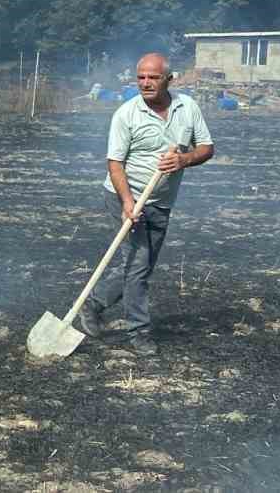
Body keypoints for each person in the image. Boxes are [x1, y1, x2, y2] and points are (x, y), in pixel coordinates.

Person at [77, 52, 214, 355]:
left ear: (169, 78)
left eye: (153, 77)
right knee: (138, 266)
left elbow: (207, 148)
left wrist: (184, 159)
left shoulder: (187, 107)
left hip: (162, 200)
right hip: (124, 197)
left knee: (141, 266)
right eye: (141, 77)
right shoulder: (126, 114)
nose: (146, 83)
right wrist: (128, 202)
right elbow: (114, 165)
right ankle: (138, 332)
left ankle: (94, 305)